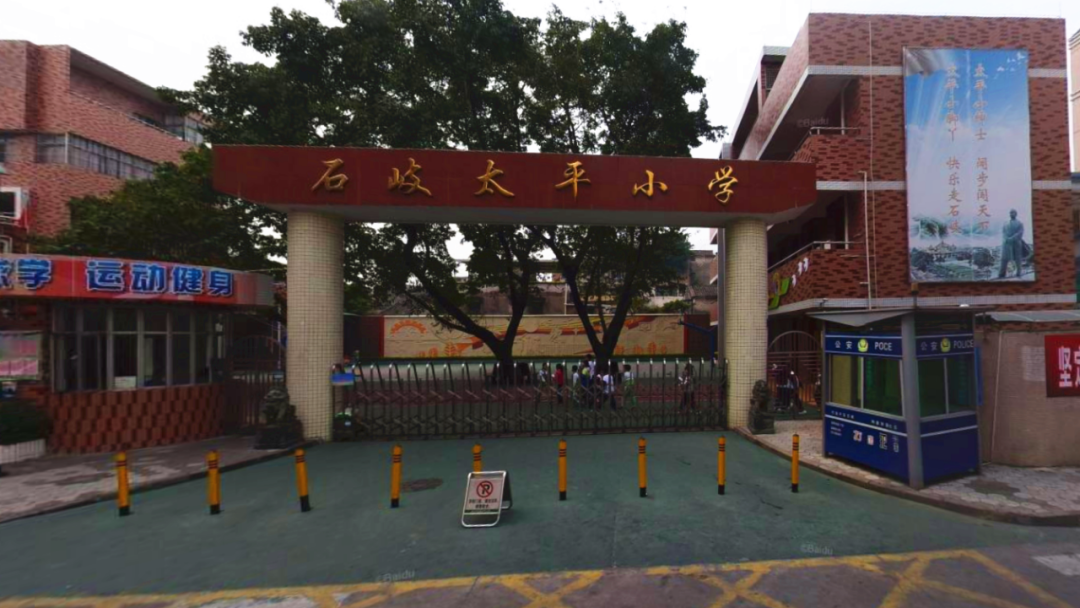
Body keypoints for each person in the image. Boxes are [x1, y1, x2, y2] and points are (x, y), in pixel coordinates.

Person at [999, 209, 1025, 279]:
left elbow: (1020, 232)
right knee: (1004, 258)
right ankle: (1001, 274)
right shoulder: (1005, 223)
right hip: (1007, 242)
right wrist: (1006, 238)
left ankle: (1018, 273)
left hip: (1016, 243)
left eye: (1013, 213)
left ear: (1016, 214)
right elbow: (1003, 232)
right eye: (1010, 213)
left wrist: (1012, 238)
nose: (1011, 214)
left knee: (1017, 258)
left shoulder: (1020, 223)